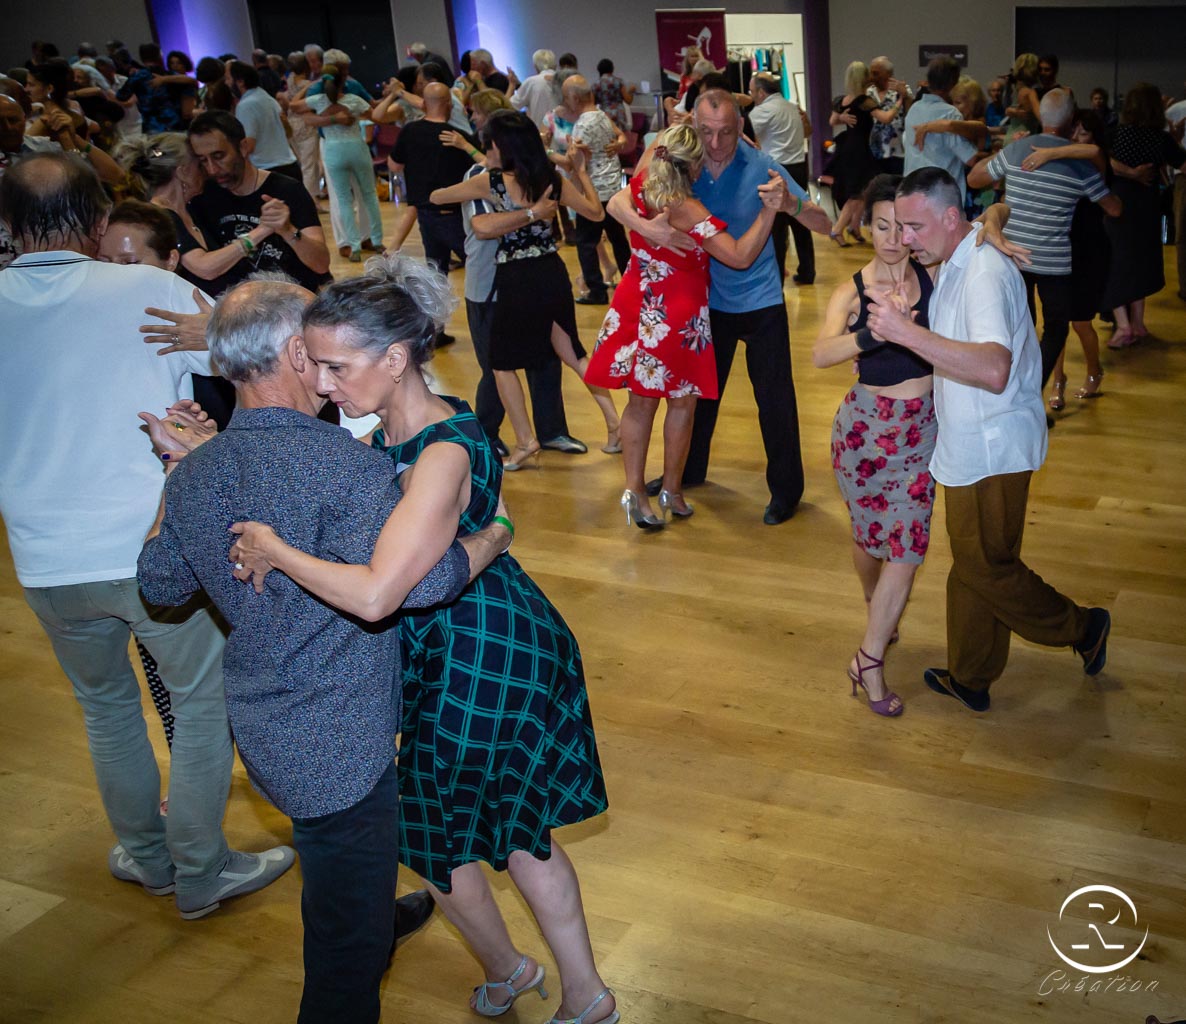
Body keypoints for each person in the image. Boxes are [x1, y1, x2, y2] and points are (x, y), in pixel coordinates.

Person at [229, 255, 619, 1024]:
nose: (324, 384)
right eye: (318, 366)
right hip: (455, 643)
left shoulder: (438, 454)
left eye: (337, 366)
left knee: (495, 829)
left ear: (394, 357)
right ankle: (524, 974)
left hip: (483, 653)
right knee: (464, 826)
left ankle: (581, 992)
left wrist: (276, 552)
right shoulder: (391, 432)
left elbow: (377, 595)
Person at [136, 276, 506, 1022]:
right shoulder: (345, 466)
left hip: (267, 720)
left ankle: (368, 905)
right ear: (296, 358)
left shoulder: (202, 469)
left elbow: (159, 580)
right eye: (320, 352)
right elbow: (427, 583)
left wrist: (178, 478)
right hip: (341, 735)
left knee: (337, 859)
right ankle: (363, 927)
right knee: (345, 954)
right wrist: (493, 537)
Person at [0, 152, 293, 918]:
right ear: (99, 220)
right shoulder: (152, 291)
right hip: (153, 547)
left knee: (105, 708)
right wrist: (216, 325)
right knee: (200, 705)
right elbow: (274, 351)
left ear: (5, 225)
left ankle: (148, 854)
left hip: (42, 556)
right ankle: (200, 870)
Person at [865, 167, 1112, 712]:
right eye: (899, 227)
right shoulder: (959, 246)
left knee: (985, 565)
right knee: (975, 562)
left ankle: (1083, 627)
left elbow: (996, 368)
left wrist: (908, 333)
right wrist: (993, 216)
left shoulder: (981, 272)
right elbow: (992, 212)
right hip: (969, 440)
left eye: (913, 226)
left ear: (951, 219)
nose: (905, 238)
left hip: (994, 445)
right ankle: (972, 675)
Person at [610, 89, 833, 524]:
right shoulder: (676, 160)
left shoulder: (764, 167)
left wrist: (789, 204)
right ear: (694, 126)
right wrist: (645, 229)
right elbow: (623, 197)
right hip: (704, 303)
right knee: (697, 400)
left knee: (775, 400)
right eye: (707, 132)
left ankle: (786, 492)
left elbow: (825, 225)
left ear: (741, 128)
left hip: (760, 299)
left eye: (726, 133)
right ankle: (683, 477)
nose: (715, 144)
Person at [585, 125, 782, 529]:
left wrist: (644, 228)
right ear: (692, 166)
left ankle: (636, 492)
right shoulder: (688, 209)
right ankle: (671, 490)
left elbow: (616, 202)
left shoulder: (642, 187)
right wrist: (769, 211)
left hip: (636, 299)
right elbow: (741, 256)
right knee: (682, 402)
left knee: (640, 403)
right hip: (675, 311)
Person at [429, 112, 621, 467]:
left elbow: (438, 197)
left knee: (501, 364)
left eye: (492, 143)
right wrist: (579, 171)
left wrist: (474, 180)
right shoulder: (552, 179)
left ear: (503, 146)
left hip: (516, 279)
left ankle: (525, 441)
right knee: (573, 352)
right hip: (552, 272)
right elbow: (595, 213)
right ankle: (614, 422)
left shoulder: (492, 182)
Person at [813, 174, 937, 715]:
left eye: (901, 226)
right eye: (881, 225)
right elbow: (821, 354)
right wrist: (872, 334)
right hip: (866, 430)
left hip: (924, 427)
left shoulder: (931, 274)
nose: (892, 237)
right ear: (867, 226)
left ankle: (868, 659)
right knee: (870, 541)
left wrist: (997, 226)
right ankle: (876, 609)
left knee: (907, 546)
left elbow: (981, 221)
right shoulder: (851, 290)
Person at [967, 89, 1121, 394]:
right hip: (1055, 261)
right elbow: (1114, 209)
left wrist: (1007, 152)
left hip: (1013, 256)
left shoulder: (1017, 149)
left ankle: (1016, 389)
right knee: (1055, 329)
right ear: (1071, 121)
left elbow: (974, 179)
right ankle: (1033, 389)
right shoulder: (1079, 164)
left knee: (1021, 326)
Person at [460, 108, 580, 459]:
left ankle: (552, 432)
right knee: (496, 366)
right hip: (488, 285)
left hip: (526, 282)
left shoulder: (531, 174)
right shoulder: (480, 177)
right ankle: (487, 435)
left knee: (544, 358)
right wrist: (532, 214)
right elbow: (485, 225)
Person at [1023, 109, 1114, 405]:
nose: (1076, 138)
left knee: (1081, 322)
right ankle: (1056, 381)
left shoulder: (1095, 163)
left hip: (1089, 251)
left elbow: (1093, 150)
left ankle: (1093, 371)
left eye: (1082, 132)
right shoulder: (1063, 164)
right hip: (1060, 249)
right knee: (1056, 320)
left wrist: (1051, 152)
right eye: (1072, 131)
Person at [187, 110, 331, 293]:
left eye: (219, 156)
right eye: (203, 161)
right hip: (236, 308)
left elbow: (321, 264)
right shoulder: (203, 196)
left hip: (291, 303)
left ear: (243, 147)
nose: (212, 169)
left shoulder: (287, 190)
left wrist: (288, 231)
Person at [1100, 82, 1186, 345]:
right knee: (1141, 262)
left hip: (1118, 203)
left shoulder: (1117, 133)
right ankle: (1137, 324)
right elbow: (1183, 163)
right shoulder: (1160, 139)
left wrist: (1127, 172)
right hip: (1147, 206)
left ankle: (1123, 326)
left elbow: (1100, 159)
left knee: (1114, 263)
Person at [290, 63, 383, 261]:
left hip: (333, 150)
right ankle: (376, 240)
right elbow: (375, 114)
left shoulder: (317, 101)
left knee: (343, 199)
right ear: (344, 81)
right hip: (356, 147)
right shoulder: (353, 100)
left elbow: (293, 105)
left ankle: (354, 246)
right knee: (368, 194)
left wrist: (310, 85)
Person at [390, 81, 477, 274]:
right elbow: (481, 168)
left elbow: (394, 165)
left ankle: (436, 305)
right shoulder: (458, 138)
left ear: (424, 103)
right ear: (449, 104)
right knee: (478, 266)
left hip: (424, 215)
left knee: (436, 274)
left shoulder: (409, 131)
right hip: (454, 215)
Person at [566, 75, 631, 306]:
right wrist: (619, 143)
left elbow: (574, 161)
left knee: (586, 242)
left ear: (575, 98)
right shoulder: (602, 115)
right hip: (613, 188)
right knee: (618, 238)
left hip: (594, 191)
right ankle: (631, 284)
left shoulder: (582, 125)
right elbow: (620, 136)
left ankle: (597, 291)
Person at [747, 71, 815, 284]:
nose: (751, 96)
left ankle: (776, 276)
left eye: (751, 92)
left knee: (776, 226)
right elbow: (806, 132)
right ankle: (807, 271)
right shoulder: (791, 107)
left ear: (760, 92)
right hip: (798, 167)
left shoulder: (764, 110)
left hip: (776, 170)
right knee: (800, 220)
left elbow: (743, 131)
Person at [904, 57, 978, 207]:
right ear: (953, 83)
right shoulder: (950, 114)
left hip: (912, 192)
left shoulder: (914, 109)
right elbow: (970, 158)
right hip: (941, 197)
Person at [827, 61, 885, 245]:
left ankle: (854, 227)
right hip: (858, 150)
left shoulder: (843, 100)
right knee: (857, 193)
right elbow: (886, 117)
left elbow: (832, 121)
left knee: (864, 190)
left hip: (848, 148)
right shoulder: (865, 101)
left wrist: (841, 117)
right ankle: (837, 230)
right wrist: (900, 102)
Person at [226, 60, 301, 180]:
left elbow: (249, 145)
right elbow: (288, 132)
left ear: (240, 82)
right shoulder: (268, 99)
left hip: (269, 169)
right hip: (289, 165)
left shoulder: (246, 105)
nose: (227, 83)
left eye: (228, 79)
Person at [117, 44, 196, 133]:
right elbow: (192, 81)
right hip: (175, 125)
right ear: (159, 56)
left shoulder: (137, 77)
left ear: (142, 58)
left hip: (151, 128)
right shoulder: (172, 76)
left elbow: (121, 96)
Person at [866, 56, 913, 176]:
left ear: (888, 74)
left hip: (898, 150)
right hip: (874, 150)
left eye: (876, 74)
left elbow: (911, 114)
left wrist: (905, 96)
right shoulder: (868, 92)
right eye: (871, 73)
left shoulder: (903, 90)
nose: (872, 77)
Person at [509, 49, 560, 127]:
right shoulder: (566, 81)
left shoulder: (531, 82)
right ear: (555, 65)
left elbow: (511, 105)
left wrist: (512, 84)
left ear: (535, 66)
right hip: (565, 132)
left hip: (539, 131)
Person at [593, 58, 635, 132]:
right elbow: (628, 100)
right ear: (612, 68)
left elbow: (592, 103)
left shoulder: (595, 85)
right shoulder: (618, 82)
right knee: (620, 138)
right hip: (619, 114)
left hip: (604, 115)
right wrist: (631, 91)